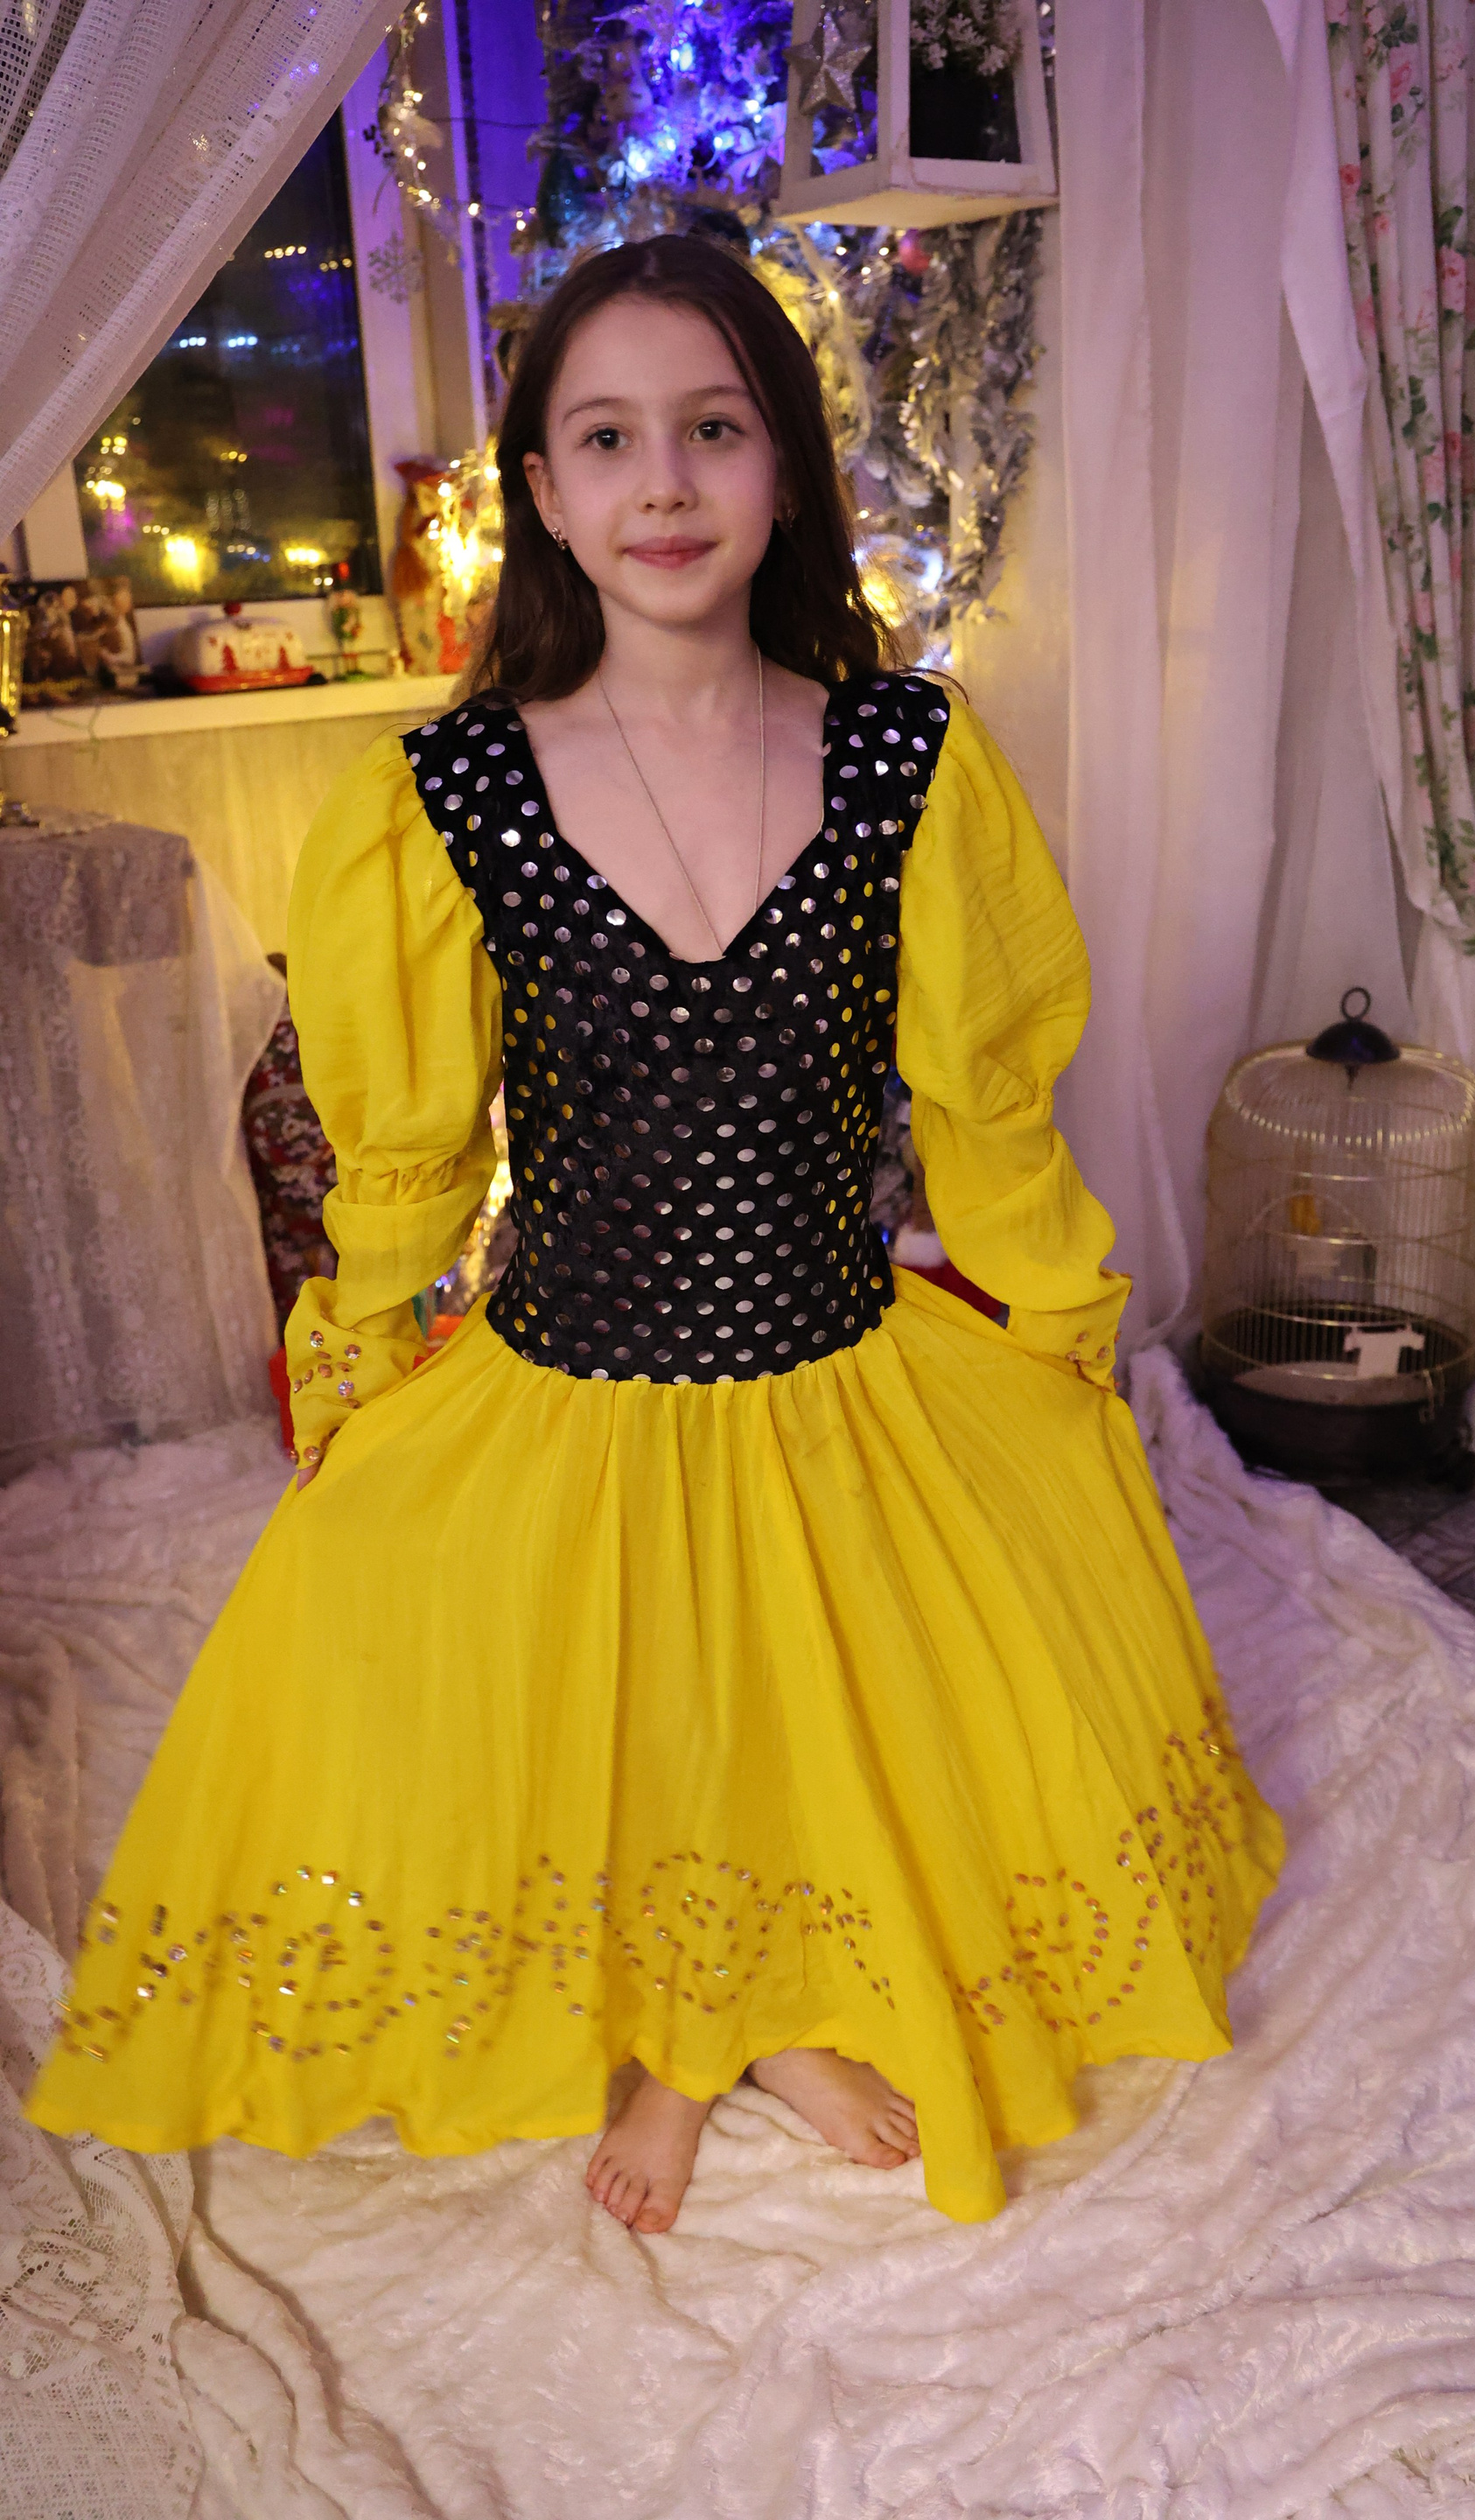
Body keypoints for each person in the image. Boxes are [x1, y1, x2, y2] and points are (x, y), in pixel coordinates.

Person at [29, 236, 1283, 2234]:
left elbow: (986, 1106)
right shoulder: (452, 795)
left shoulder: (906, 758)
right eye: (608, 440)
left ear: (784, 467)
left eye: (714, 429)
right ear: (544, 489)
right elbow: (409, 1149)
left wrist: (1060, 1325)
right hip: (576, 1368)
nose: (667, 483)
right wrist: (363, 1355)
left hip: (833, 1358)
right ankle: (678, 2028)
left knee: (819, 1687)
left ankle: (766, 2013)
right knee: (602, 1686)